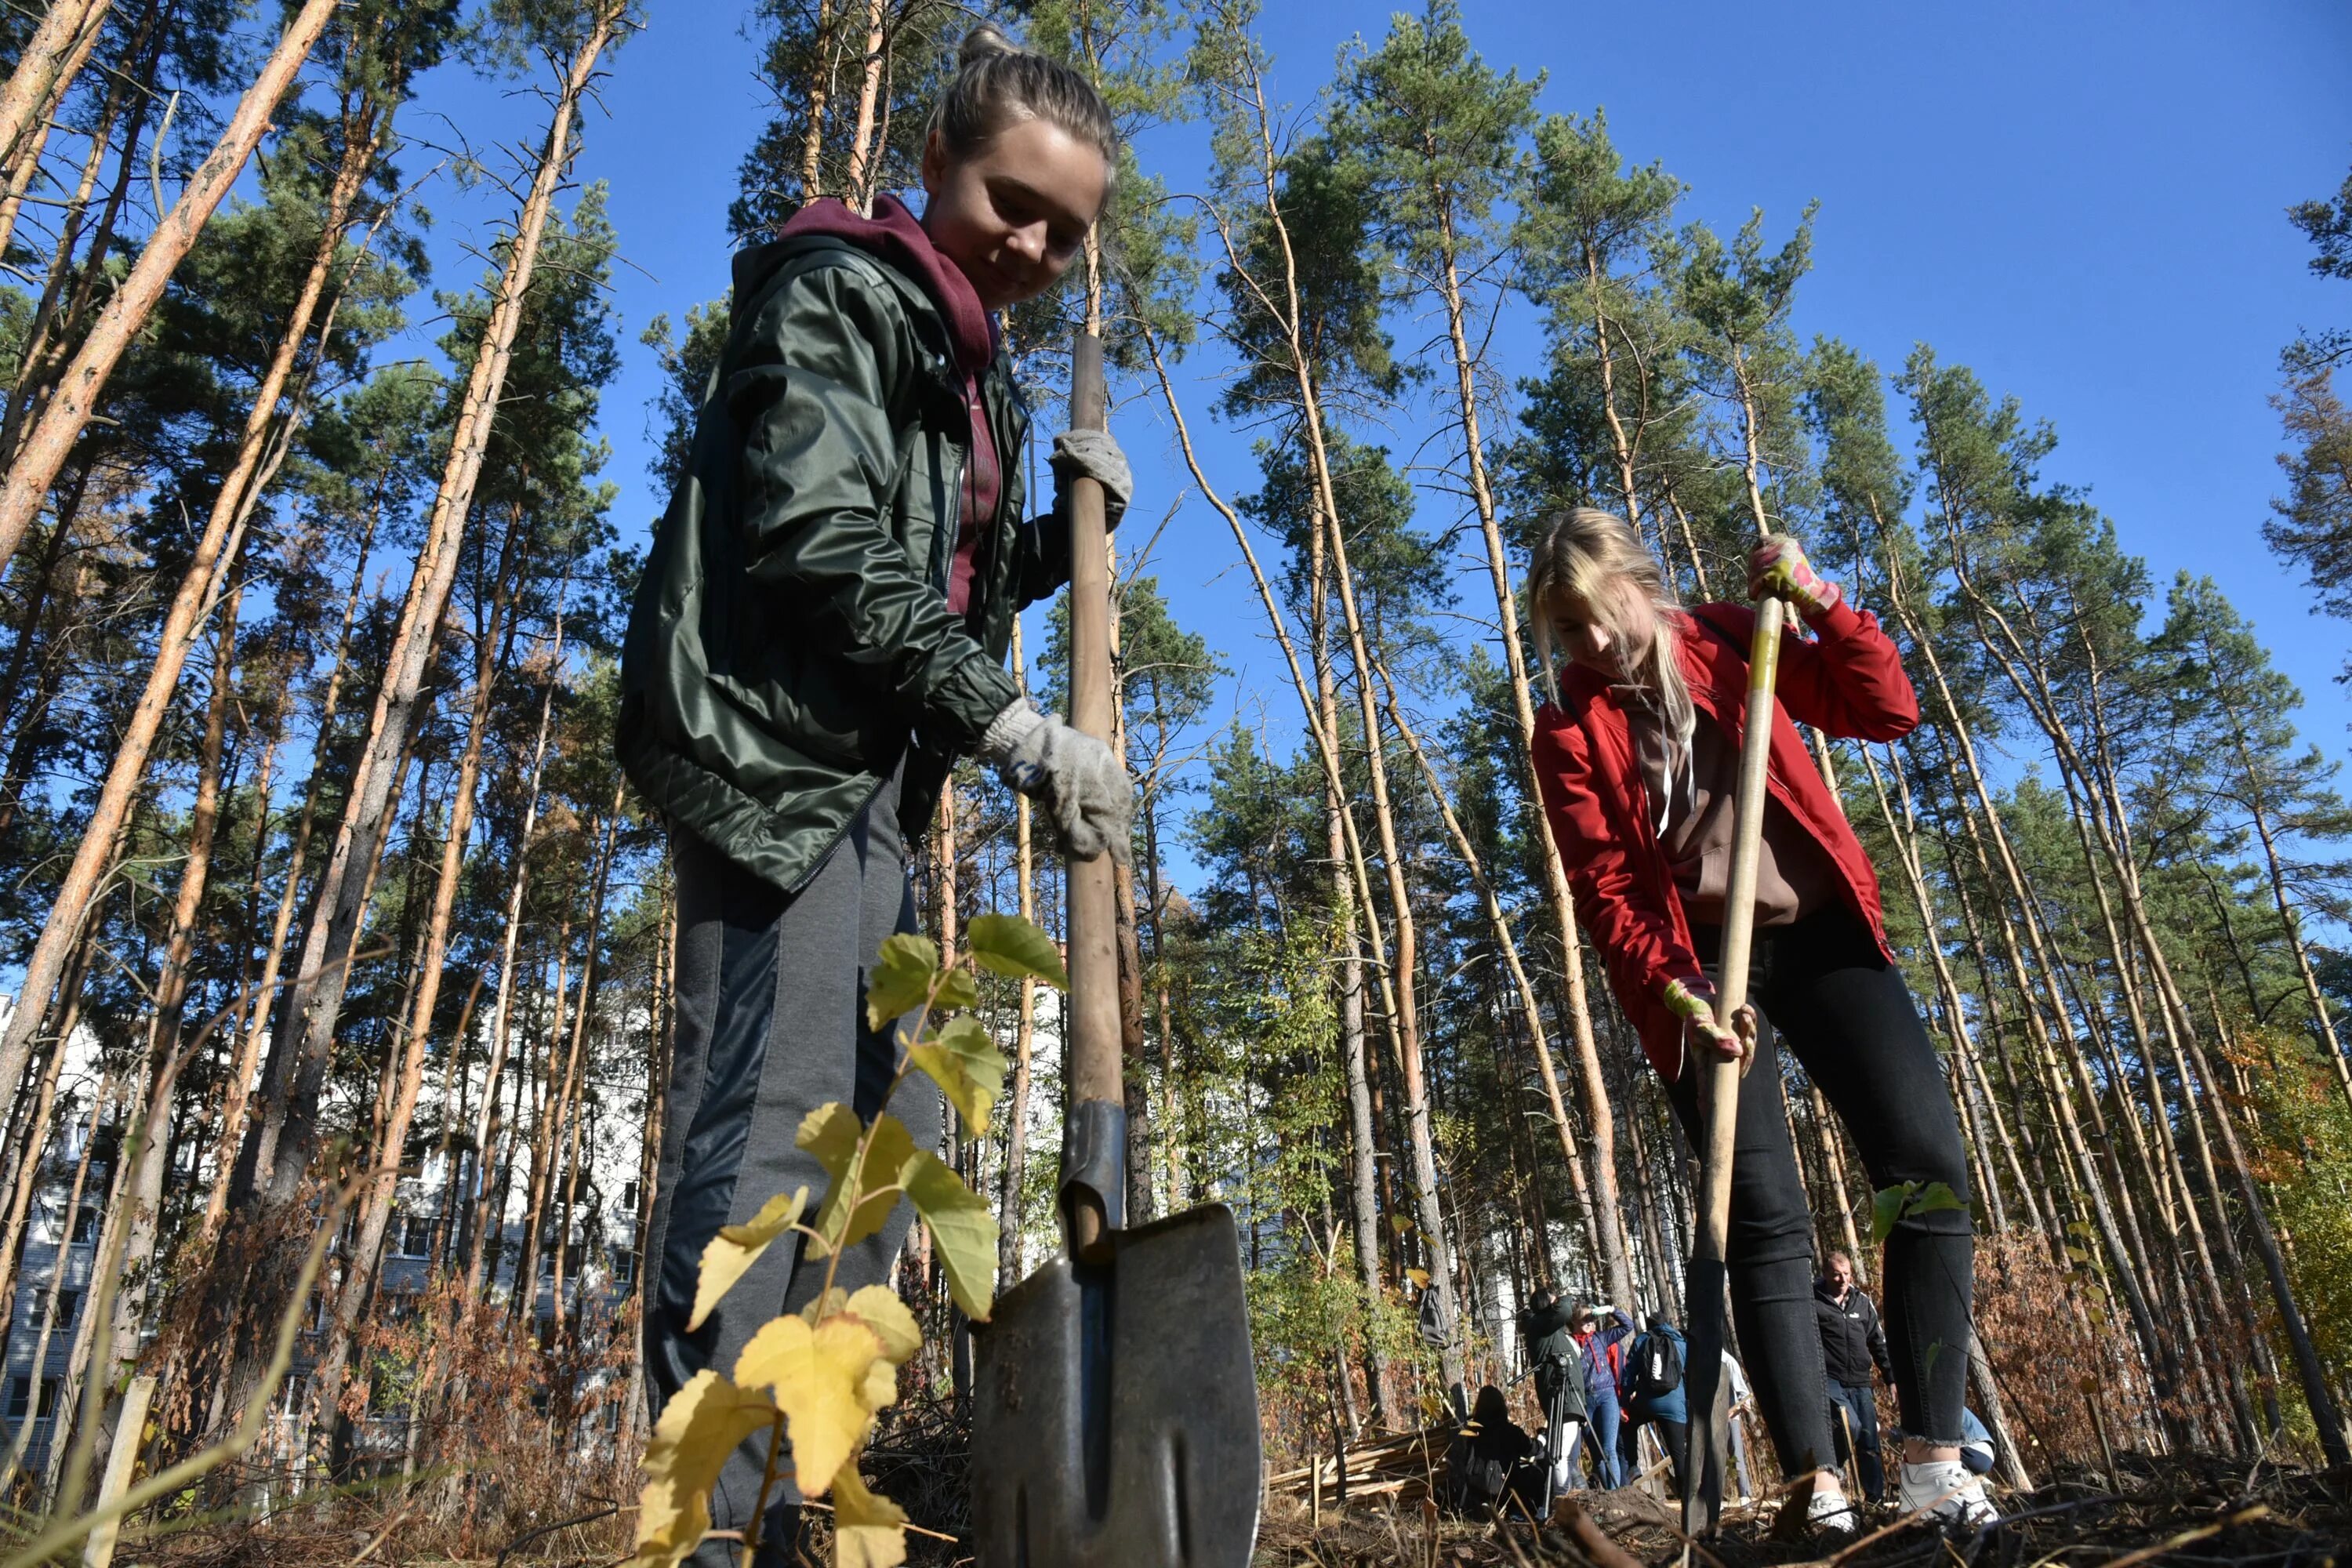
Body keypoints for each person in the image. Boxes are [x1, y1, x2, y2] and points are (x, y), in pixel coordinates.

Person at [618, 27, 1133, 1563]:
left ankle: (788, 1499)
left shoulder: (960, 360)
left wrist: (1058, 536)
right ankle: (707, 1531)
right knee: (775, 1146)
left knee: (866, 1166)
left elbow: (933, 586)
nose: (1034, 244)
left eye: (1067, 229)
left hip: (863, 789)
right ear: (934, 164)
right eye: (1009, 201)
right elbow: (824, 547)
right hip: (781, 764)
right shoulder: (840, 290)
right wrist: (1022, 730)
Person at [1524, 508, 1994, 1531]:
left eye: (1603, 617)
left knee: (1926, 1167)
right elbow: (1608, 888)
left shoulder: (1742, 640)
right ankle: (1814, 1484)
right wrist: (1679, 997)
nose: (1594, 647)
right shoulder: (1568, 730)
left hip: (1819, 938)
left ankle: (1929, 1457)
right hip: (1700, 976)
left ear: (1644, 588)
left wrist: (1822, 602)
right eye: (1569, 633)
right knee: (1766, 1220)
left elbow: (1887, 708)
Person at [1816, 1249, 1893, 1501]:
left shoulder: (1862, 1302)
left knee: (1869, 1443)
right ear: (1826, 1273)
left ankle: (1875, 1499)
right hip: (1831, 1380)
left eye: (1846, 1274)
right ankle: (1830, 1475)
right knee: (1852, 1426)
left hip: (1861, 1381)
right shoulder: (1813, 1302)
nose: (1842, 1280)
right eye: (1836, 1275)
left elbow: (1877, 1342)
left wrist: (1891, 1377)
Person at [1520, 1287, 1588, 1503]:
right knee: (1560, 1455)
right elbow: (1564, 1311)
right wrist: (1565, 1296)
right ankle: (1561, 1503)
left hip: (1569, 1398)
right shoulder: (1539, 1326)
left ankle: (1582, 1500)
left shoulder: (1546, 1328)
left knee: (1569, 1456)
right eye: (1552, 1300)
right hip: (1563, 1397)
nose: (1557, 1302)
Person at [1620, 1313, 1690, 1495]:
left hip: (1646, 1403)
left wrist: (1625, 1402)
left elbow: (1628, 1374)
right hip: (1675, 1407)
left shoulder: (1642, 1340)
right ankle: (1686, 1497)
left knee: (1627, 1425)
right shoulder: (1681, 1342)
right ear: (1667, 1323)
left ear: (1649, 1326)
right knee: (1678, 1455)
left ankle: (1633, 1466)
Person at [1570, 1299, 1635, 1489]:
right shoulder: (1570, 1343)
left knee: (1609, 1449)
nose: (1590, 1323)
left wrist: (1612, 1310)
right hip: (1585, 1400)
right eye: (1585, 1320)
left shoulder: (1601, 1338)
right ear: (1574, 1321)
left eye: (1592, 1319)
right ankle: (1608, 1494)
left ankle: (1615, 1495)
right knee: (1597, 1453)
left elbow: (1628, 1326)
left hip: (1607, 1396)